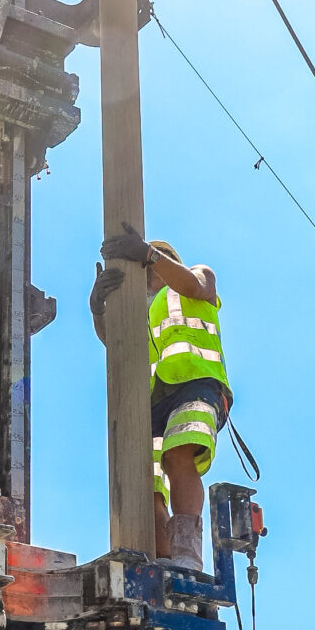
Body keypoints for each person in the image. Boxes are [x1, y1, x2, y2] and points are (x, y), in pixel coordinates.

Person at [90, 229, 231, 568]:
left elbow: (197, 286)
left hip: (197, 385)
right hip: (154, 400)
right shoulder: (140, 311)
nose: (148, 264)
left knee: (177, 455)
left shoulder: (197, 278)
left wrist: (149, 254)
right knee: (147, 482)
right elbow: (116, 343)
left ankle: (187, 555)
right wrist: (98, 310)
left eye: (158, 256)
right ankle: (164, 559)